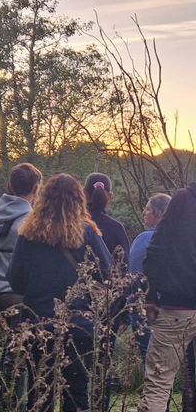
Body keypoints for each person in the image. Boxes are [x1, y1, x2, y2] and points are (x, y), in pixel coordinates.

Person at [7, 173, 112, 412]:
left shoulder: (28, 234)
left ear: (44, 197)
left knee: (39, 394)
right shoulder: (88, 233)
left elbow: (15, 281)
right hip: (78, 326)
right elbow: (108, 274)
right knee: (76, 396)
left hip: (38, 325)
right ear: (79, 200)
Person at [0, 163, 42, 411]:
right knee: (19, 361)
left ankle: (11, 405)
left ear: (10, 186)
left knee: (13, 353)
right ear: (36, 188)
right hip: (20, 296)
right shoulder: (30, 220)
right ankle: (8, 407)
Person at [141, 182, 196, 412]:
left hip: (177, 306)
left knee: (159, 384)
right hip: (178, 303)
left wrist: (151, 295)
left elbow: (156, 250)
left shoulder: (184, 200)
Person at [84, 172, 130, 410]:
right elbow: (124, 273)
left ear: (84, 194)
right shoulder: (116, 228)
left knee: (75, 365)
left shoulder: (71, 225)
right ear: (109, 196)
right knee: (104, 364)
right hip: (108, 309)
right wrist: (124, 313)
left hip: (74, 306)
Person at [130, 193, 171, 365]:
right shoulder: (181, 240)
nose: (144, 213)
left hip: (146, 307)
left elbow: (133, 274)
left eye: (147, 209)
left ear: (159, 213)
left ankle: (153, 393)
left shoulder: (144, 239)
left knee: (150, 359)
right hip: (174, 308)